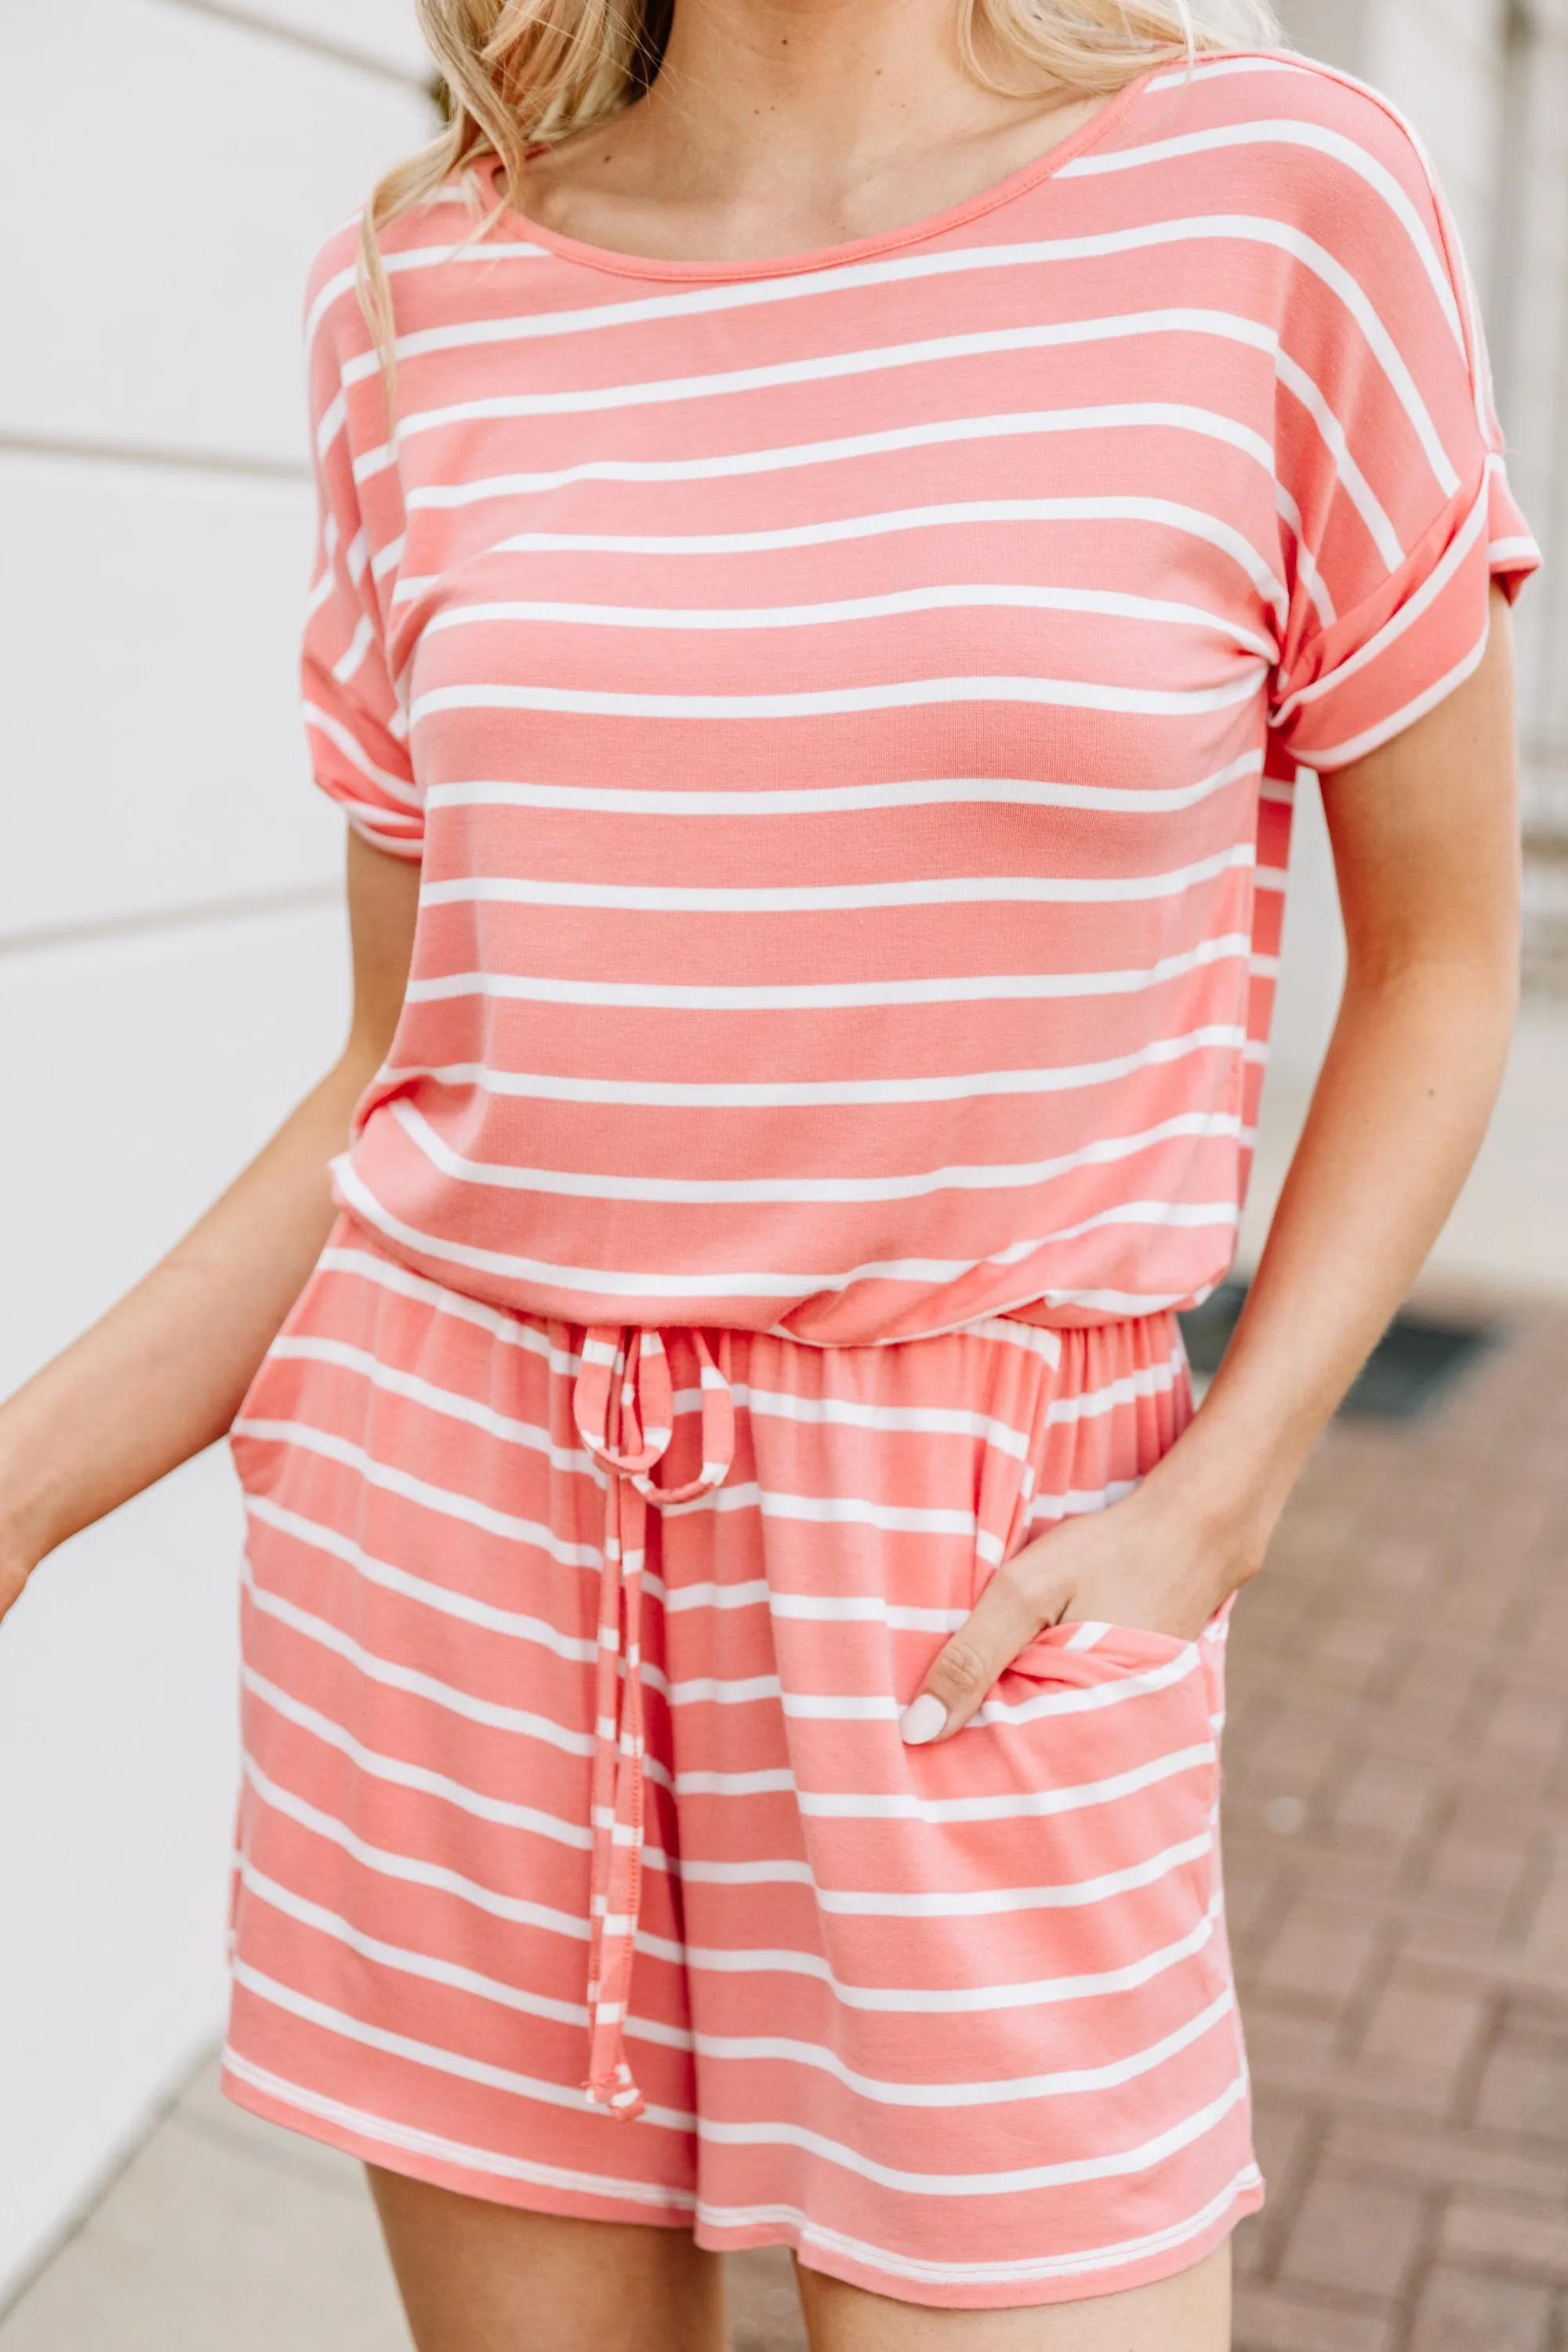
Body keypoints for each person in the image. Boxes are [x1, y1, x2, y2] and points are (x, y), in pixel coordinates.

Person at [0, 0, 1536, 2343]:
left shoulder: (1276, 201)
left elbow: (1440, 954)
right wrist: (15, 1490)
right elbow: (405, 1078)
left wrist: (1219, 1500)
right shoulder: (421, 300)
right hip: (468, 1568)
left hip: (978, 1597)